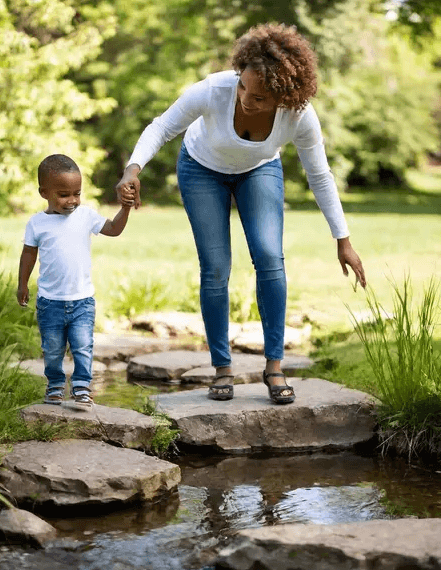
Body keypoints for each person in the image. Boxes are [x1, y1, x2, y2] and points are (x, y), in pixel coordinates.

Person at [116, 23, 366, 404]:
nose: (248, 99)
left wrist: (342, 238)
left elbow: (320, 175)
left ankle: (274, 366)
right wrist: (132, 169)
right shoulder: (214, 89)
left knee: (269, 257)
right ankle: (222, 368)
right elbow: (162, 126)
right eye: (244, 87)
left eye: (261, 96)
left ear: (285, 96)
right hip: (201, 168)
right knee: (215, 267)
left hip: (259, 169)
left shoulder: (300, 115)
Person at [17, 154, 135, 409]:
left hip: (82, 301)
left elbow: (113, 229)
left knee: (83, 347)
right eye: (63, 195)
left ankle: (82, 388)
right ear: (44, 192)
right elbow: (28, 254)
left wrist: (125, 208)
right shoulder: (37, 223)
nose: (72, 201)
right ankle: (55, 387)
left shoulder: (85, 216)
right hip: (50, 303)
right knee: (52, 349)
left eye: (76, 193)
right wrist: (22, 284)